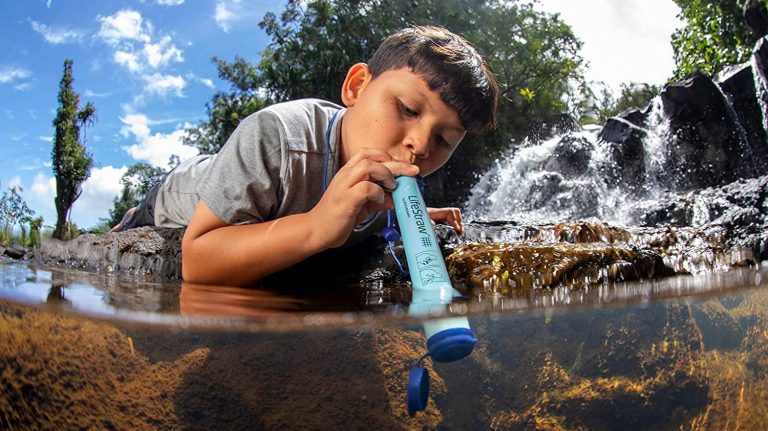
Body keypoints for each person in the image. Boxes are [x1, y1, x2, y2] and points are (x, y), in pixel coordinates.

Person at [112, 25, 499, 286]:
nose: (420, 144)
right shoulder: (276, 135)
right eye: (408, 110)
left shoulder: (389, 169)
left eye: (445, 139)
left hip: (256, 188)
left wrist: (407, 213)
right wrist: (316, 227)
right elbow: (197, 262)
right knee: (137, 225)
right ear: (357, 87)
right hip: (181, 193)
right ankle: (130, 216)